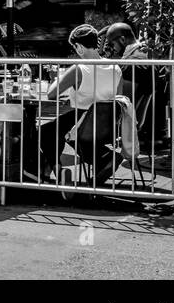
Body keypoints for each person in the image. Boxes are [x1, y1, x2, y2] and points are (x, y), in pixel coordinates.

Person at [25, 24, 123, 185]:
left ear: (78, 47)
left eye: (74, 47)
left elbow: (51, 93)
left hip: (82, 121)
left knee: (46, 132)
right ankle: (102, 157)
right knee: (56, 130)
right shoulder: (115, 67)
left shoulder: (78, 68)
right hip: (108, 124)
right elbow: (118, 97)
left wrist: (57, 77)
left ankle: (53, 170)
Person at [106, 22, 166, 149]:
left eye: (112, 44)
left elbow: (123, 99)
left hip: (128, 122)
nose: (112, 49)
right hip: (145, 125)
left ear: (122, 39)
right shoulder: (147, 53)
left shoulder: (131, 64)